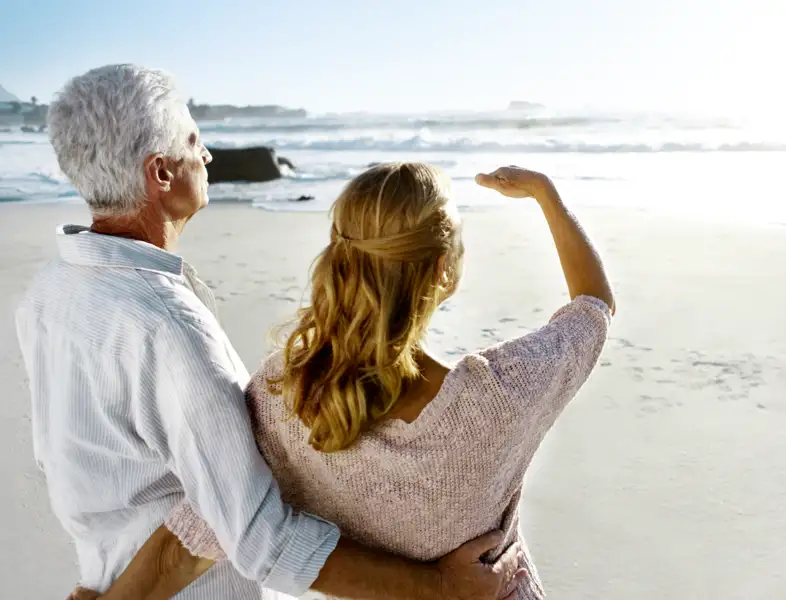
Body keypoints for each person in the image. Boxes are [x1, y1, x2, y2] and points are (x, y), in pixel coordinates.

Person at [15, 65, 523, 600]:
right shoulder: (166, 325)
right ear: (160, 174)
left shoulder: (51, 289)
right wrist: (438, 586)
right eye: (194, 140)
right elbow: (261, 539)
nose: (208, 154)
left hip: (105, 576)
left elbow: (72, 464)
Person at [86, 161, 615, 599]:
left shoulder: (286, 400)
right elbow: (593, 308)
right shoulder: (502, 396)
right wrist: (546, 195)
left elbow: (191, 540)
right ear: (443, 271)